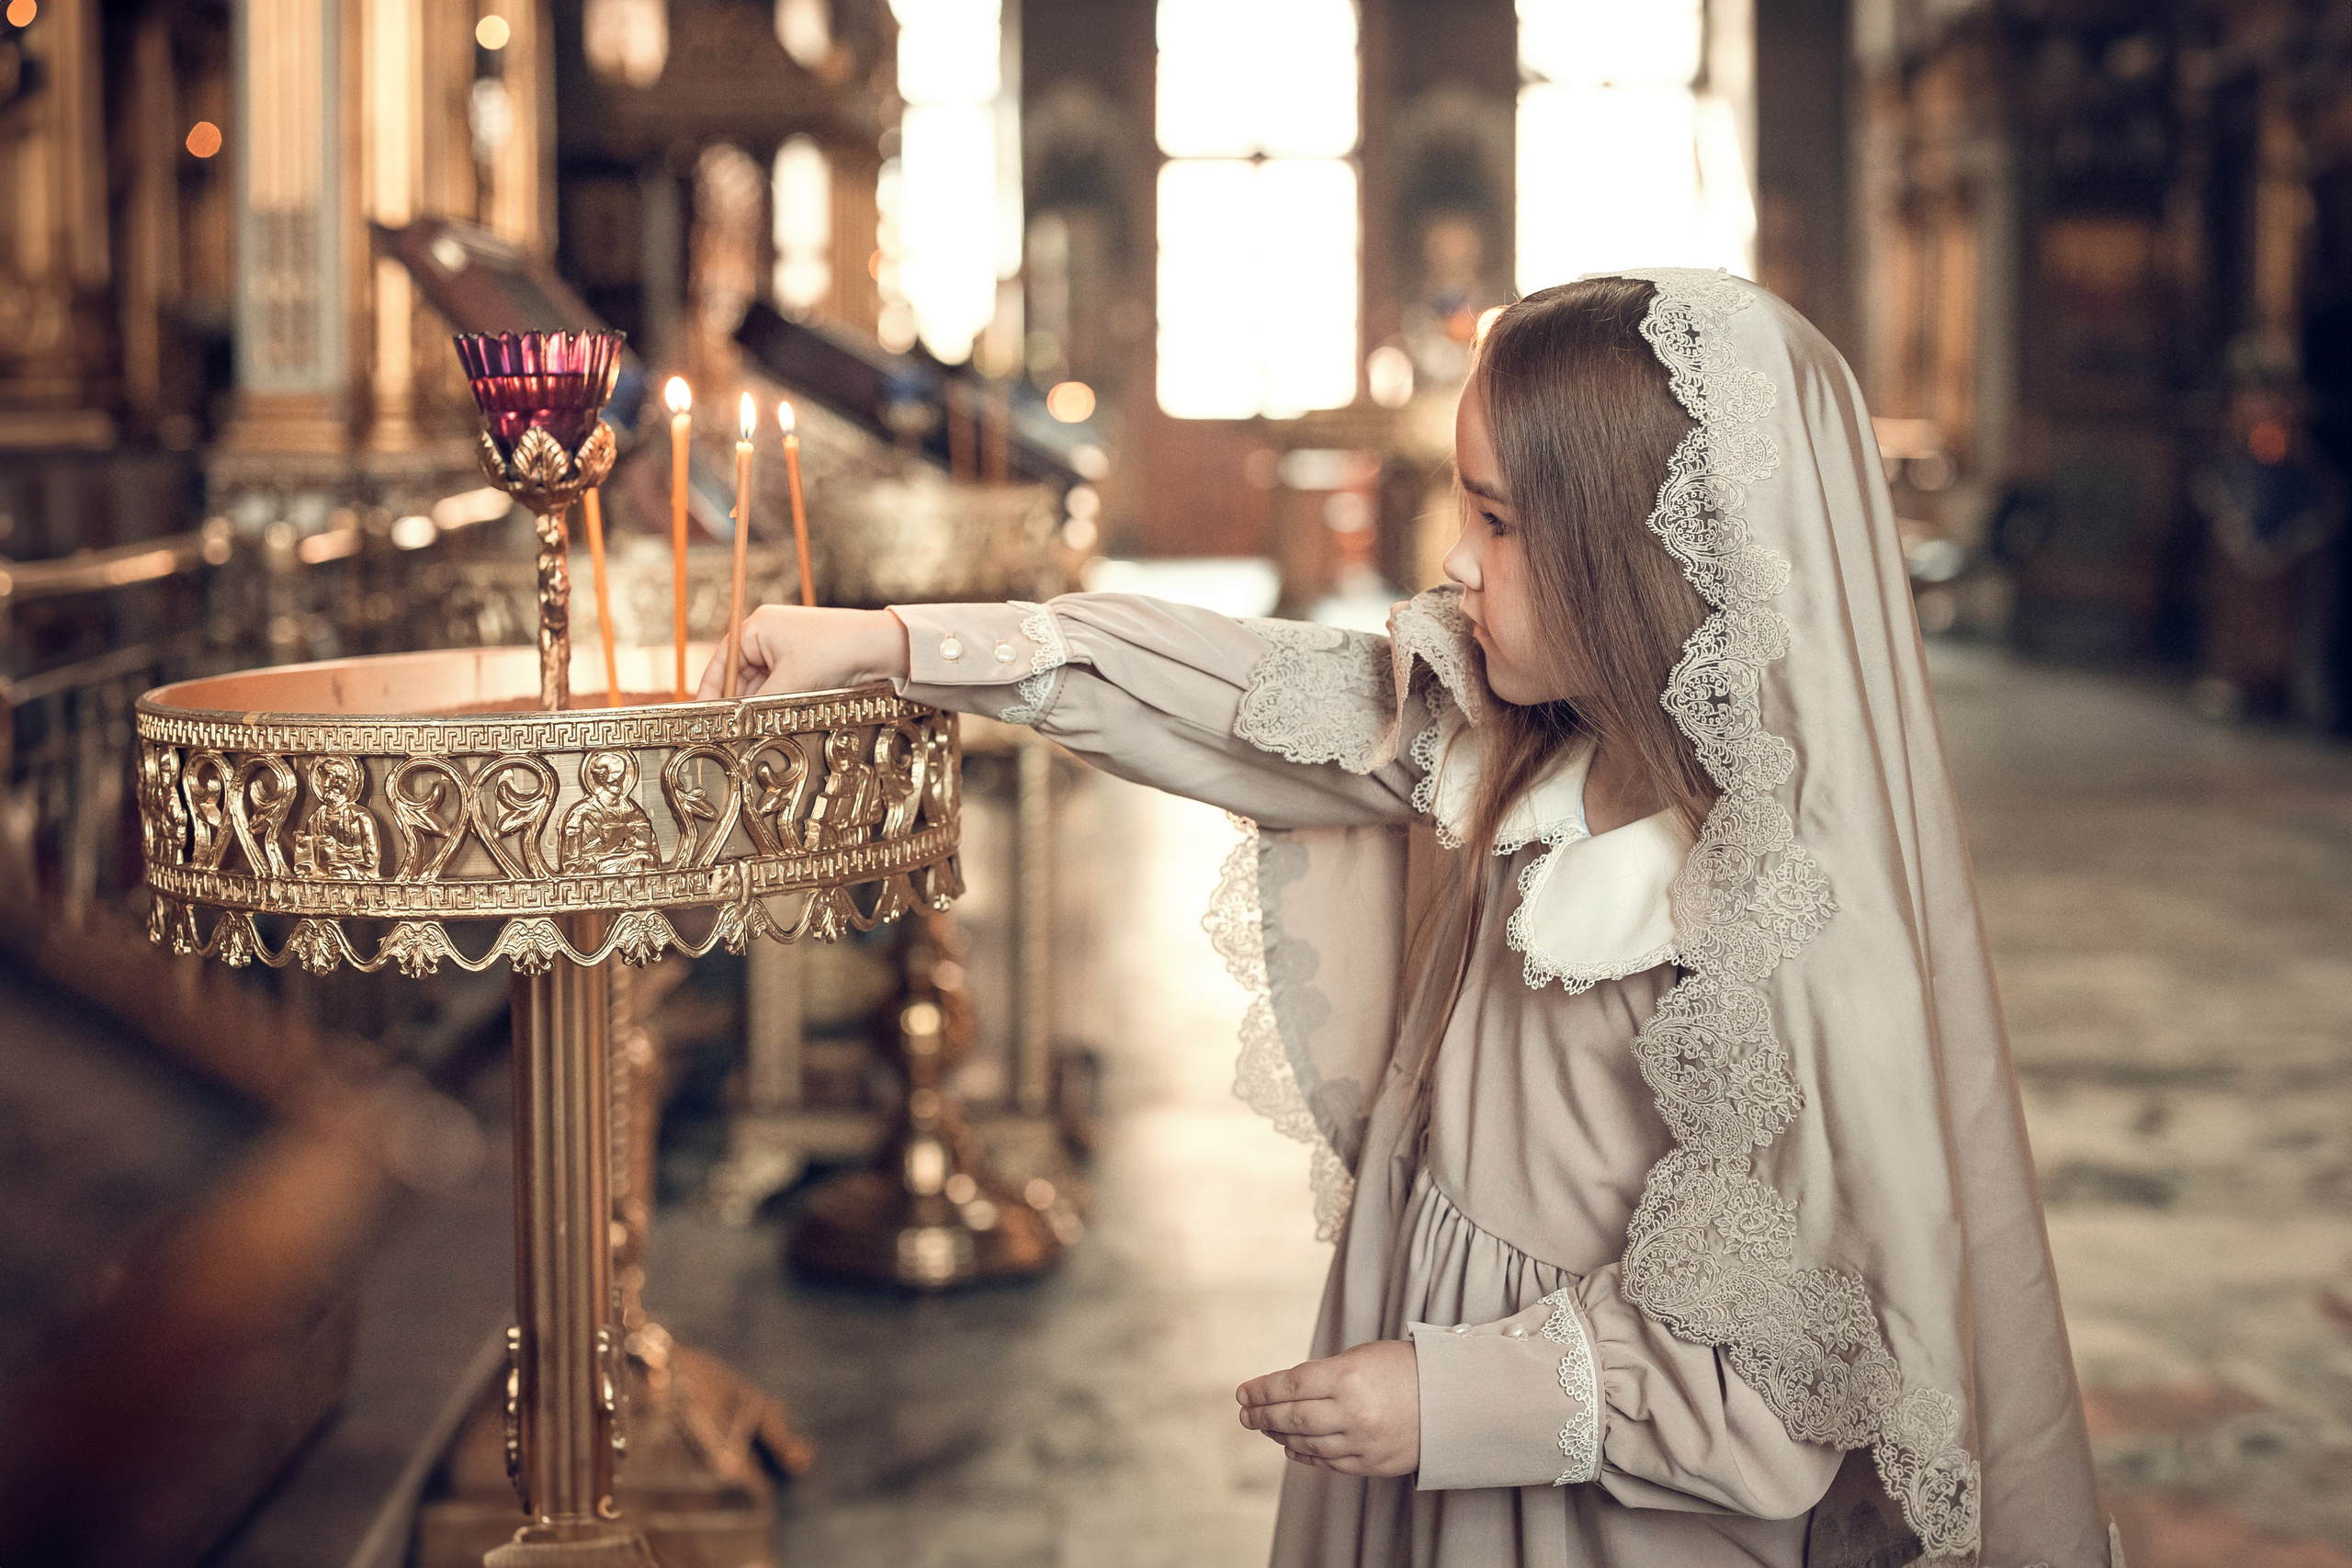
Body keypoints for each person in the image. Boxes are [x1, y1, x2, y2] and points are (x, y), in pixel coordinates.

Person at [702, 270, 2116, 1567]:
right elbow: (1239, 691)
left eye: (1497, 522)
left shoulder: (1773, 933)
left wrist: (1450, 1398)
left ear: (1644, 558)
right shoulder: (1505, 743)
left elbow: (1783, 1372)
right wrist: (902, 646)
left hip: (1598, 1511)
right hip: (1423, 1358)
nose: (1454, 563)